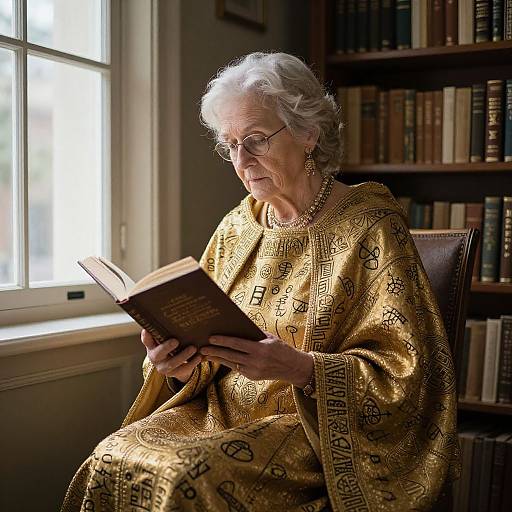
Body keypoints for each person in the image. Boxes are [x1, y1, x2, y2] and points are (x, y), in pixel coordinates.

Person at [61, 52, 459, 511]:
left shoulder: (369, 223)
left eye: (254, 139)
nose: (241, 160)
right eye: (229, 144)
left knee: (182, 477)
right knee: (112, 455)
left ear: (308, 132)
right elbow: (211, 340)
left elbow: (407, 375)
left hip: (313, 429)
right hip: (218, 413)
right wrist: (177, 361)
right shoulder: (238, 226)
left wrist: (298, 368)